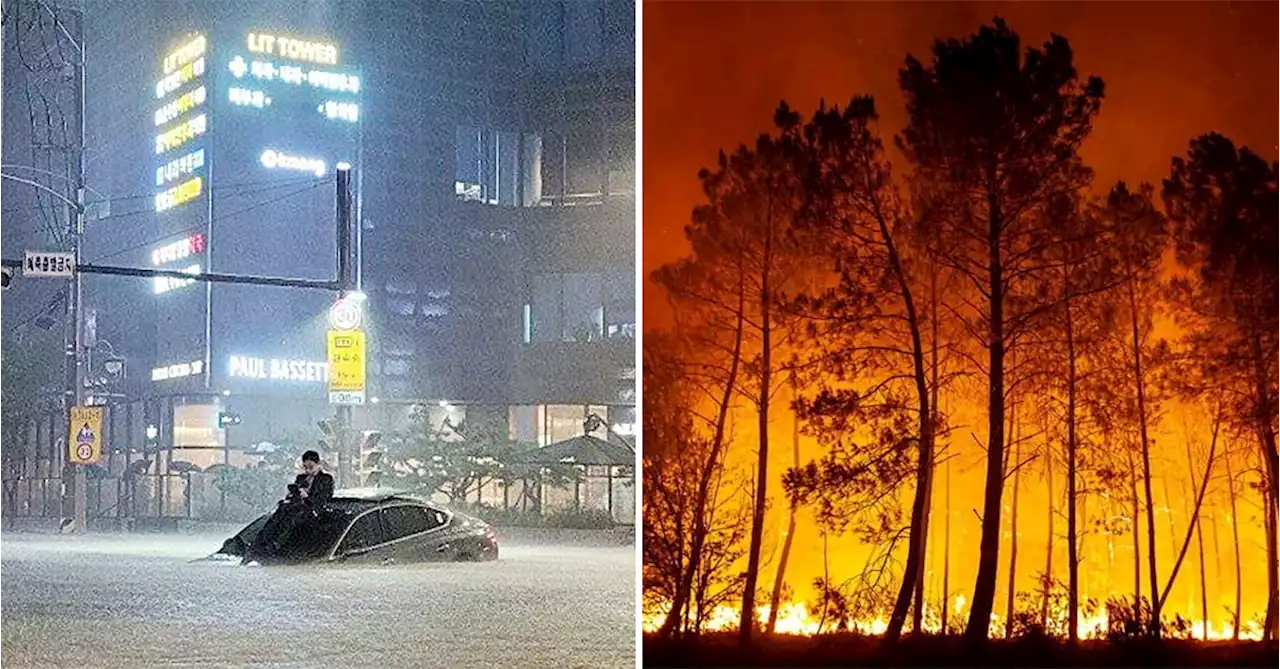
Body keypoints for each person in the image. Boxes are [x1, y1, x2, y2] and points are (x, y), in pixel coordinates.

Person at [243, 451, 334, 564]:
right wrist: (291, 496)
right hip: (297, 506)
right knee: (276, 516)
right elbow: (294, 495)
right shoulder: (301, 478)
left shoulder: (326, 479)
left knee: (291, 519)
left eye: (311, 467)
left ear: (318, 464)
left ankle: (275, 545)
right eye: (305, 467)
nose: (308, 470)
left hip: (312, 509)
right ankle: (258, 544)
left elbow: (323, 498)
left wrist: (307, 497)